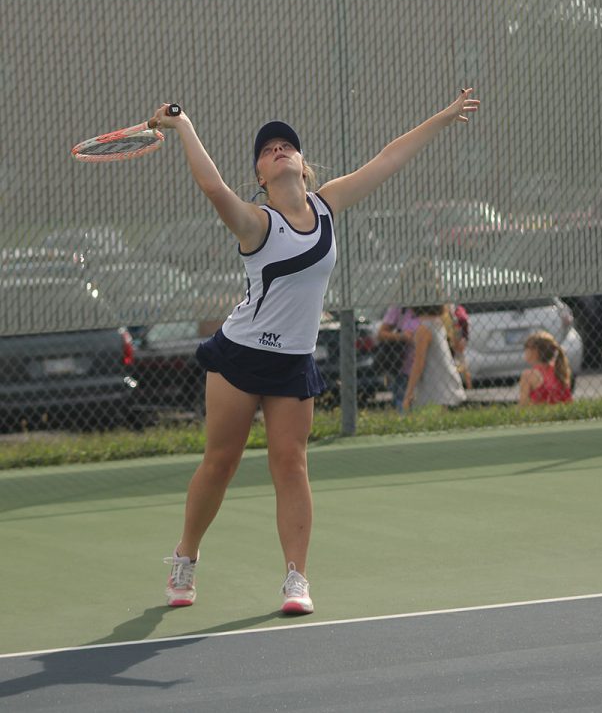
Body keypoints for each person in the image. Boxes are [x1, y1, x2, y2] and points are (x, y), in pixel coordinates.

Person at [153, 87, 480, 615]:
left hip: (293, 362)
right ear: (261, 176)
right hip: (238, 357)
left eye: (287, 145)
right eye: (267, 149)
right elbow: (213, 188)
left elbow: (387, 159)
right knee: (220, 463)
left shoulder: (328, 206)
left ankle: (296, 578)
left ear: (303, 166)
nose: (278, 150)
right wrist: (183, 124)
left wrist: (440, 119)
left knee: (292, 465)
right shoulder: (256, 223)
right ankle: (185, 556)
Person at [401, 305, 467, 412]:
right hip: (448, 387)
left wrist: (408, 394)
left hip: (437, 393)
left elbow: (418, 364)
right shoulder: (438, 323)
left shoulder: (423, 329)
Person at [376, 305, 420, 410]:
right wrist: (402, 337)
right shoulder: (400, 308)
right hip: (405, 370)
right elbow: (381, 334)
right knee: (404, 407)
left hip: (428, 370)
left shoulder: (431, 307)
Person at [518, 330, 573, 406]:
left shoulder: (528, 375)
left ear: (535, 351)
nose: (525, 351)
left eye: (526, 347)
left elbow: (523, 404)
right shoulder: (560, 370)